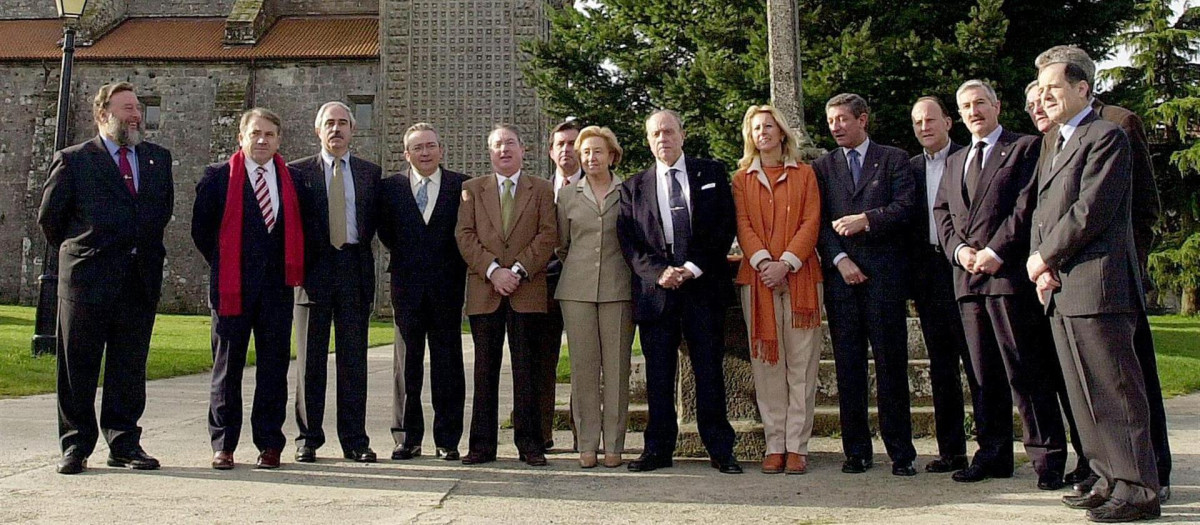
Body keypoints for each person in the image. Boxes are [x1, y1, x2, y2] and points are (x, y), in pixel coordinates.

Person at [1036, 45, 1171, 502]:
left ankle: (1140, 487)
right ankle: (1107, 478)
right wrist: (1041, 264)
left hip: (1101, 282)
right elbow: (1043, 211)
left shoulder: (1109, 132)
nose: (1044, 97)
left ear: (1082, 87)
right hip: (1062, 286)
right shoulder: (1055, 138)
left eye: (1053, 87)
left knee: (1118, 392)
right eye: (1041, 88)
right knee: (1085, 393)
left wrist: (1045, 257)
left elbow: (1093, 210)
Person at [932, 80, 1069, 490]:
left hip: (1007, 278)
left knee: (1025, 372)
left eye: (980, 103)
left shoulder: (1024, 148)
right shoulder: (956, 160)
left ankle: (1047, 459)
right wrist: (959, 251)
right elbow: (942, 211)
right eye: (966, 106)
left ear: (997, 106)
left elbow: (1027, 206)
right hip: (967, 280)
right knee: (983, 375)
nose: (973, 111)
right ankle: (992, 455)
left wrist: (996, 251)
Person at [39, 82, 174, 474]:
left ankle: (124, 442)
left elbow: (161, 213)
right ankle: (76, 445)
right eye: (127, 108)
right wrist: (84, 251)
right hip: (87, 281)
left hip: (138, 279)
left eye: (138, 108)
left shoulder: (157, 159)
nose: (136, 115)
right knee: (77, 366)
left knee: (129, 366)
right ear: (102, 114)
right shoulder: (75, 160)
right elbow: (51, 219)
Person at [616, 109, 742, 474]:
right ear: (648, 141)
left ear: (682, 135)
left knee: (709, 371)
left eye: (669, 131)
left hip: (703, 287)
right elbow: (629, 243)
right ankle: (658, 449)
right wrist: (660, 273)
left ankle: (719, 448)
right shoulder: (633, 187)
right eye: (655, 133)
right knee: (658, 375)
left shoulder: (711, 173)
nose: (663, 139)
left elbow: (724, 225)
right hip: (657, 294)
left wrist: (693, 267)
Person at [191, 108, 304, 470]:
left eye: (269, 134)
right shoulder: (217, 178)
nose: (262, 140)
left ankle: (269, 443)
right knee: (227, 369)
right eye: (255, 133)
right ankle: (223, 445)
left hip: (276, 291)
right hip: (231, 288)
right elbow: (201, 231)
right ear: (241, 138)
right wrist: (228, 264)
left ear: (279, 140)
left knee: (273, 369)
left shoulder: (293, 180)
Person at [812, 93, 918, 476]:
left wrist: (867, 219)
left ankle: (901, 452)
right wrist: (839, 261)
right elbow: (818, 222)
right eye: (831, 121)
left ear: (862, 119)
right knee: (848, 368)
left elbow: (906, 207)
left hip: (884, 281)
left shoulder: (893, 159)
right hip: (842, 282)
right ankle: (856, 451)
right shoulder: (822, 167)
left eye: (842, 119)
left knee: (891, 366)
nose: (836, 127)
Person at [456, 125, 558, 466]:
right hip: (485, 291)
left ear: (522, 149)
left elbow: (548, 235)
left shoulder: (542, 189)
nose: (504, 150)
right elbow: (465, 235)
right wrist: (493, 270)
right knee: (484, 371)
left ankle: (530, 444)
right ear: (490, 152)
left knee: (527, 370)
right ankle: (481, 446)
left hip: (526, 290)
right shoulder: (472, 190)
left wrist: (516, 270)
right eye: (497, 144)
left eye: (510, 143)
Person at [731, 105, 823, 475]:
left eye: (769, 126)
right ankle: (775, 444)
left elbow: (811, 221)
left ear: (782, 132)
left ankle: (797, 446)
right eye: (756, 128)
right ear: (750, 136)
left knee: (802, 366)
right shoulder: (741, 179)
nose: (763, 133)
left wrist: (786, 262)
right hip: (758, 279)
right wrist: (765, 263)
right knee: (768, 365)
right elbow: (743, 225)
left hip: (801, 278)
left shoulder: (805, 174)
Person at [289, 101, 381, 464]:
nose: (336, 129)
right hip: (313, 272)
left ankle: (355, 440)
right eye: (329, 123)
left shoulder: (370, 173)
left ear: (352, 130)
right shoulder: (298, 172)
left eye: (343, 123)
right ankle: (308, 438)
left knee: (353, 362)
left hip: (354, 269)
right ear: (318, 130)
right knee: (310, 362)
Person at [378, 123, 469, 461]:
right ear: (407, 154)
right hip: (407, 286)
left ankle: (447, 439)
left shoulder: (461, 186)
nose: (425, 152)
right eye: (417, 147)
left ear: (441, 150)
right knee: (407, 365)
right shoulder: (391, 188)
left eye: (431, 146)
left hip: (448, 287)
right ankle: (407, 438)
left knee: (448, 363)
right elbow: (386, 233)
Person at [555, 125, 635, 468]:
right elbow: (562, 245)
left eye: (597, 151)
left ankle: (614, 444)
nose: (591, 158)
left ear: (612, 155)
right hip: (577, 290)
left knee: (617, 369)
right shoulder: (567, 196)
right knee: (583, 370)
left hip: (619, 289)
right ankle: (587, 443)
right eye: (585, 152)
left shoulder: (629, 192)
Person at [907, 96, 978, 474]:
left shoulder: (969, 158)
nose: (924, 127)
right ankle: (952, 451)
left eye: (931, 120)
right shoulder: (910, 169)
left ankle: (991, 448)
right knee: (941, 365)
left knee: (978, 361)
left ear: (949, 122)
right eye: (918, 122)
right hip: (929, 275)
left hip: (967, 268)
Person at [538, 120, 584, 451]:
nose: (566, 149)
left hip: (586, 284)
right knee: (542, 361)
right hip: (544, 284)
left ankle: (585, 436)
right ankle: (541, 435)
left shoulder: (599, 187)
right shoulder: (539, 191)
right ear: (551, 152)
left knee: (585, 362)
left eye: (573, 143)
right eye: (561, 144)